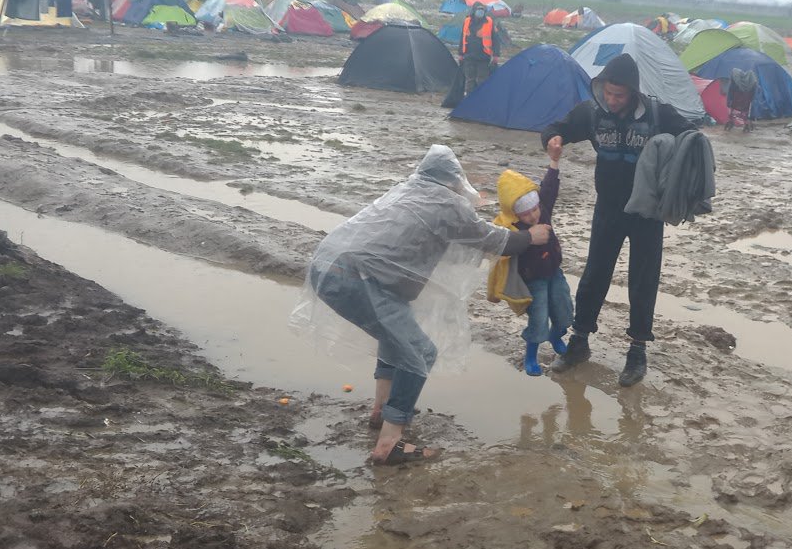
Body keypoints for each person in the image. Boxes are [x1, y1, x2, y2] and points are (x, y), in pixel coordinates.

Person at [292, 145, 551, 465]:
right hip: (357, 279)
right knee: (419, 352)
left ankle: (381, 410)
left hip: (327, 264)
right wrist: (532, 237)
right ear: (454, 180)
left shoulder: (406, 189)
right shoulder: (449, 206)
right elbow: (495, 241)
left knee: (395, 338)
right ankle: (389, 444)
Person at [541, 53, 690, 387]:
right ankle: (580, 342)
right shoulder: (592, 113)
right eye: (608, 93)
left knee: (643, 280)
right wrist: (553, 138)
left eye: (619, 95)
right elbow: (558, 127)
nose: (611, 100)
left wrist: (676, 173)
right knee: (594, 274)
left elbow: (691, 137)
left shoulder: (656, 114)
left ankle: (637, 351)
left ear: (633, 92)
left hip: (648, 213)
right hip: (608, 208)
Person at [488, 151, 573, 376]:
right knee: (538, 318)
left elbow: (549, 188)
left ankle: (557, 335)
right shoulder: (511, 229)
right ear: (515, 214)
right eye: (526, 214)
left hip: (554, 272)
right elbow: (499, 246)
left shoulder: (542, 208)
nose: (534, 216)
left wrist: (554, 162)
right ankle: (531, 356)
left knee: (564, 309)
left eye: (535, 209)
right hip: (533, 281)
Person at [460, 1, 501, 93]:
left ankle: (481, 100)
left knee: (482, 80)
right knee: (470, 80)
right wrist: (461, 53)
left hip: (483, 56)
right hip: (469, 56)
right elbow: (462, 38)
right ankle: (469, 99)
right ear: (474, 10)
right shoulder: (467, 21)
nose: (480, 11)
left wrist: (496, 55)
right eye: (479, 9)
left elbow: (496, 40)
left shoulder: (490, 22)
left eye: (482, 10)